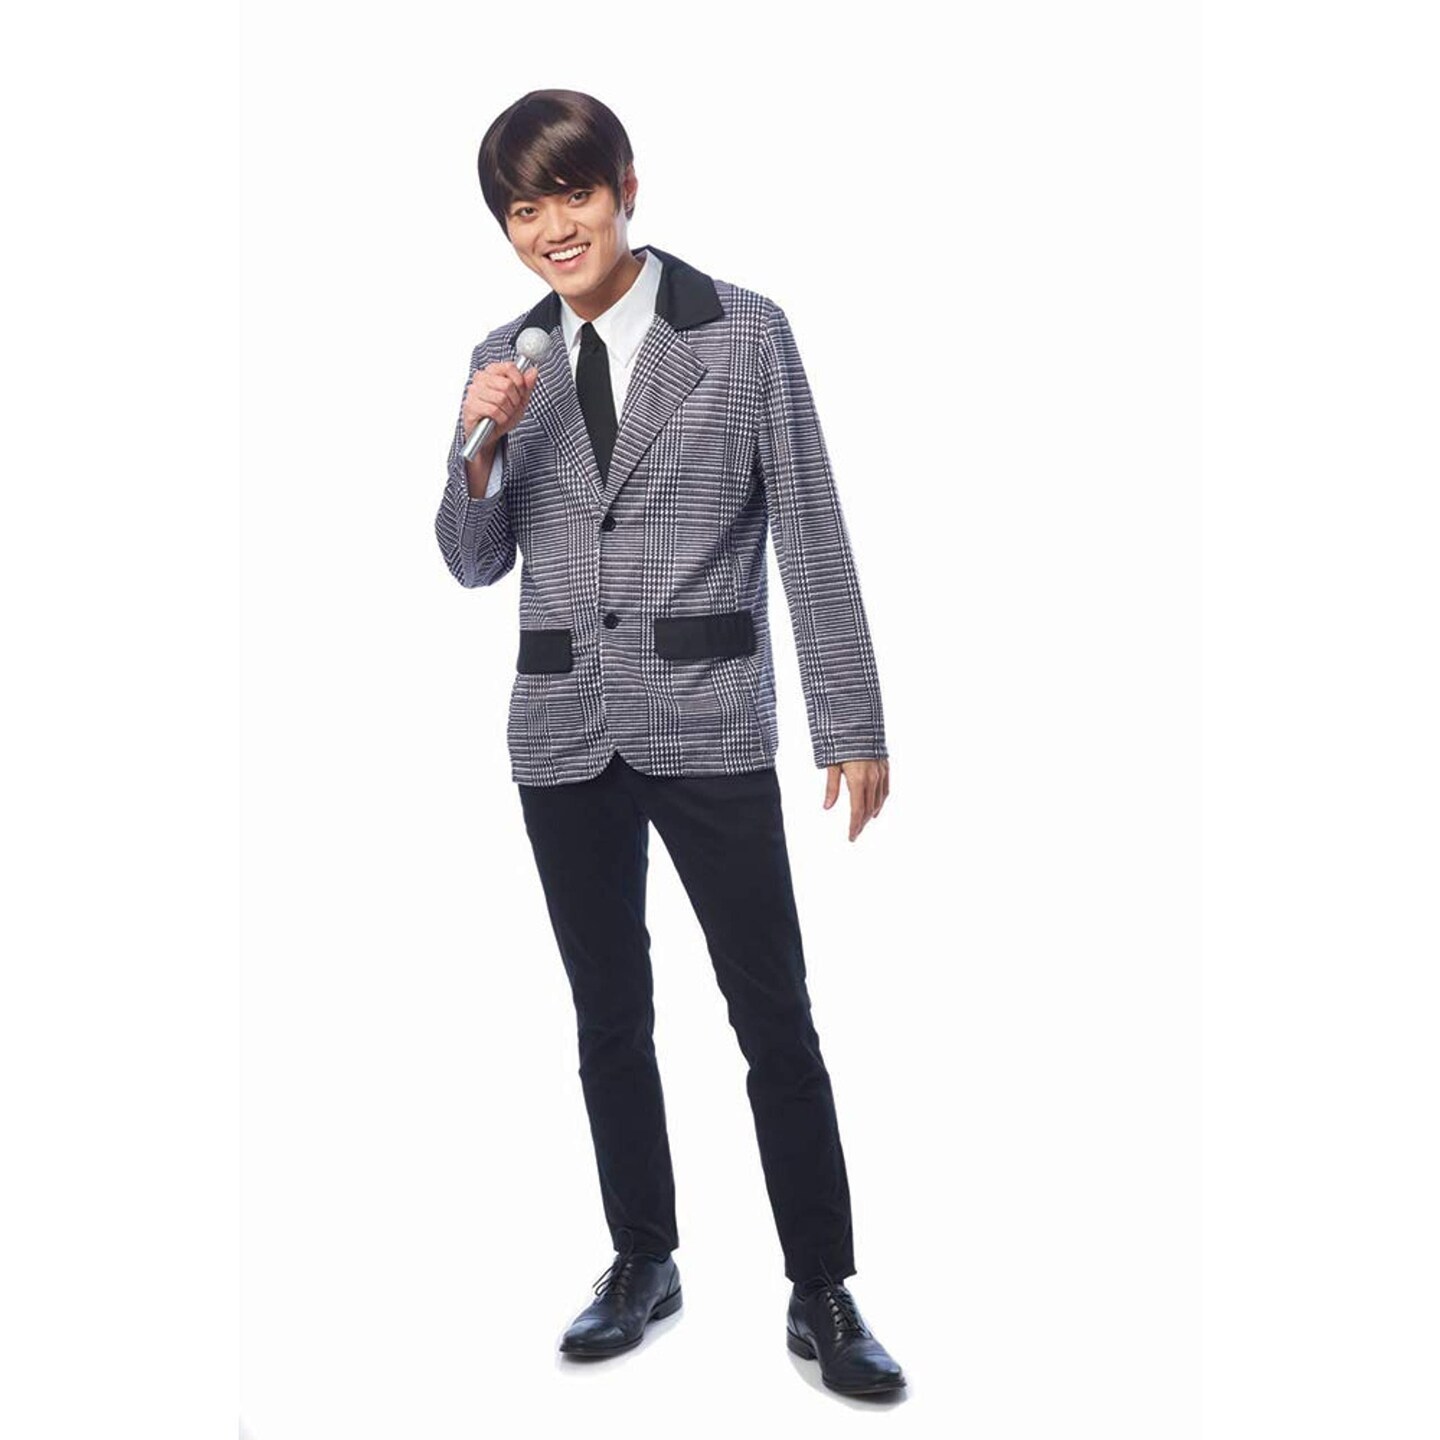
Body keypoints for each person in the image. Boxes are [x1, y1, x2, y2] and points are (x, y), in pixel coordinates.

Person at [434, 88, 903, 1397]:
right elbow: (471, 562)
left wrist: (850, 718)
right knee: (608, 1017)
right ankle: (643, 1259)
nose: (552, 227)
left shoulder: (742, 331)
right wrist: (475, 447)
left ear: (625, 188)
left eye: (572, 195)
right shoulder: (507, 355)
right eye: (522, 210)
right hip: (561, 728)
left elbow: (810, 528)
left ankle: (823, 1288)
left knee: (773, 1015)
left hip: (708, 719)